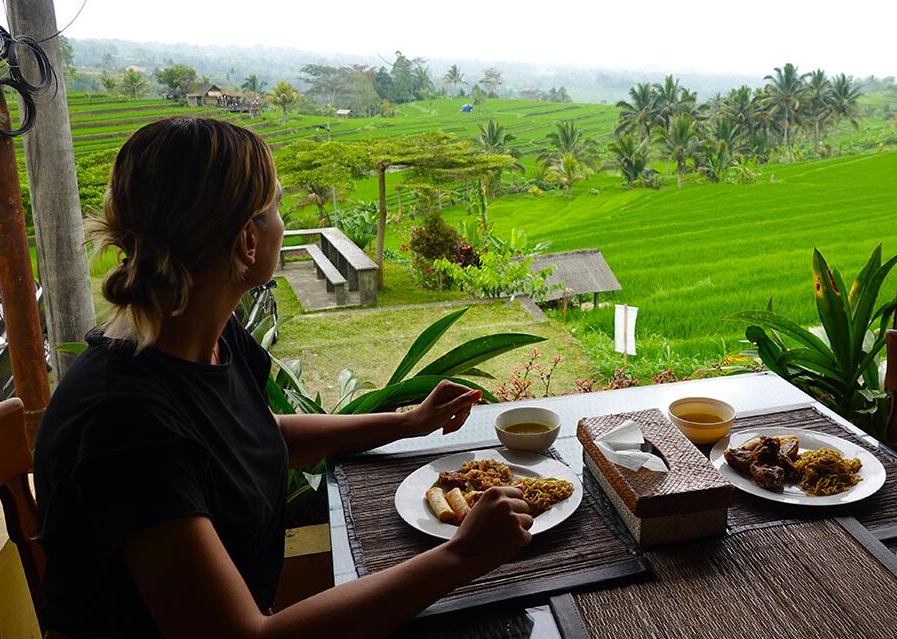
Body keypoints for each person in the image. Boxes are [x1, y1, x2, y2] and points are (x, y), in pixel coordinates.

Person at [33, 118, 534, 638]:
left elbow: (258, 436)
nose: (282, 221)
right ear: (247, 240)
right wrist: (459, 558)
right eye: (275, 207)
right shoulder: (123, 425)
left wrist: (409, 421)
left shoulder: (205, 338)